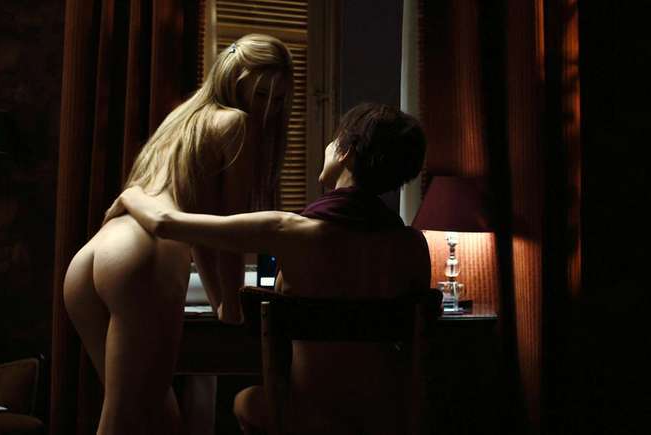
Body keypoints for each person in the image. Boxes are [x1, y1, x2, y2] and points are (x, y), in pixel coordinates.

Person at [106, 102, 431, 434]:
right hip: (387, 421)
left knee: (247, 401)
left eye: (334, 140)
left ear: (345, 152)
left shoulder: (290, 231)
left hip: (310, 420)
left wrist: (131, 194)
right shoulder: (414, 246)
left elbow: (164, 223)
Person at [62, 33, 293, 435]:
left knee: (157, 415)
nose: (269, 110)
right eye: (262, 96)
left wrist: (219, 299)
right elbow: (226, 227)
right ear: (236, 82)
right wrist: (231, 305)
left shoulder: (184, 116)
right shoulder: (236, 124)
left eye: (277, 101)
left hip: (96, 255)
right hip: (144, 257)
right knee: (122, 419)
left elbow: (196, 216)